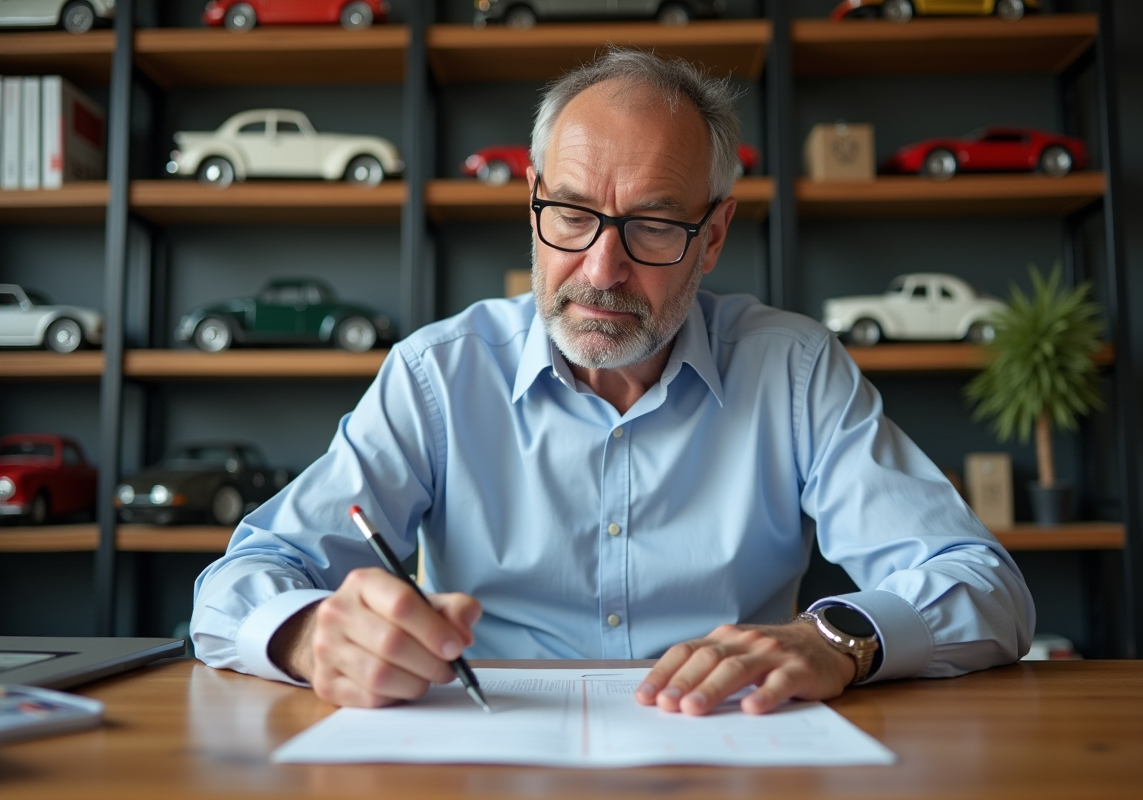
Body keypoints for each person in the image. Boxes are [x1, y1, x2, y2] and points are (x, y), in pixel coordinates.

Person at [191, 48, 1034, 716]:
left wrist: (840, 637)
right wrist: (306, 636)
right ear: (531, 200)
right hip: (486, 752)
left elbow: (984, 585)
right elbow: (238, 583)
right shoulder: (437, 375)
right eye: (571, 214)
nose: (601, 269)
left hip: (725, 752)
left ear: (712, 238)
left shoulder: (795, 372)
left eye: (655, 225)